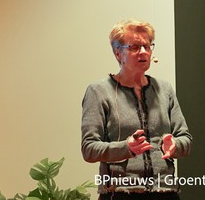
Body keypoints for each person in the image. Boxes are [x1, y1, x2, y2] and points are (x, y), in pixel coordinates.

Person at [81, 19, 192, 200]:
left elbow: (185, 139)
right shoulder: (99, 91)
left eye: (147, 46)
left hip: (166, 192)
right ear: (118, 53)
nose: (143, 52)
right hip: (120, 193)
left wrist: (174, 145)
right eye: (134, 47)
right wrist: (126, 148)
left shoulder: (164, 89)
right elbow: (89, 149)